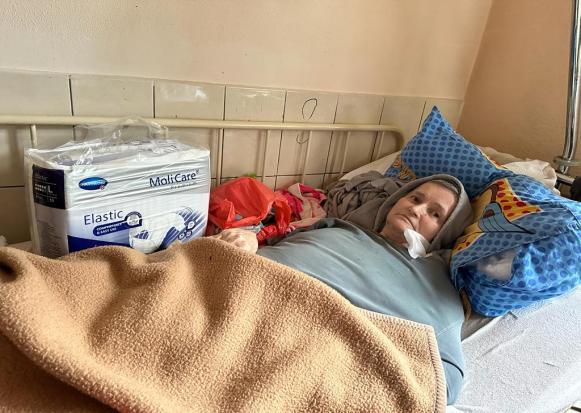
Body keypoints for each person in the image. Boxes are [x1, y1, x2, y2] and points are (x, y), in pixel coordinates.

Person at [218, 173, 473, 404]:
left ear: (446, 232)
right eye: (415, 198)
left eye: (435, 214)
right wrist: (250, 241)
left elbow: (444, 384)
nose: (416, 209)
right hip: (241, 282)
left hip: (302, 338)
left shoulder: (436, 285)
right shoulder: (337, 225)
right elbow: (275, 240)